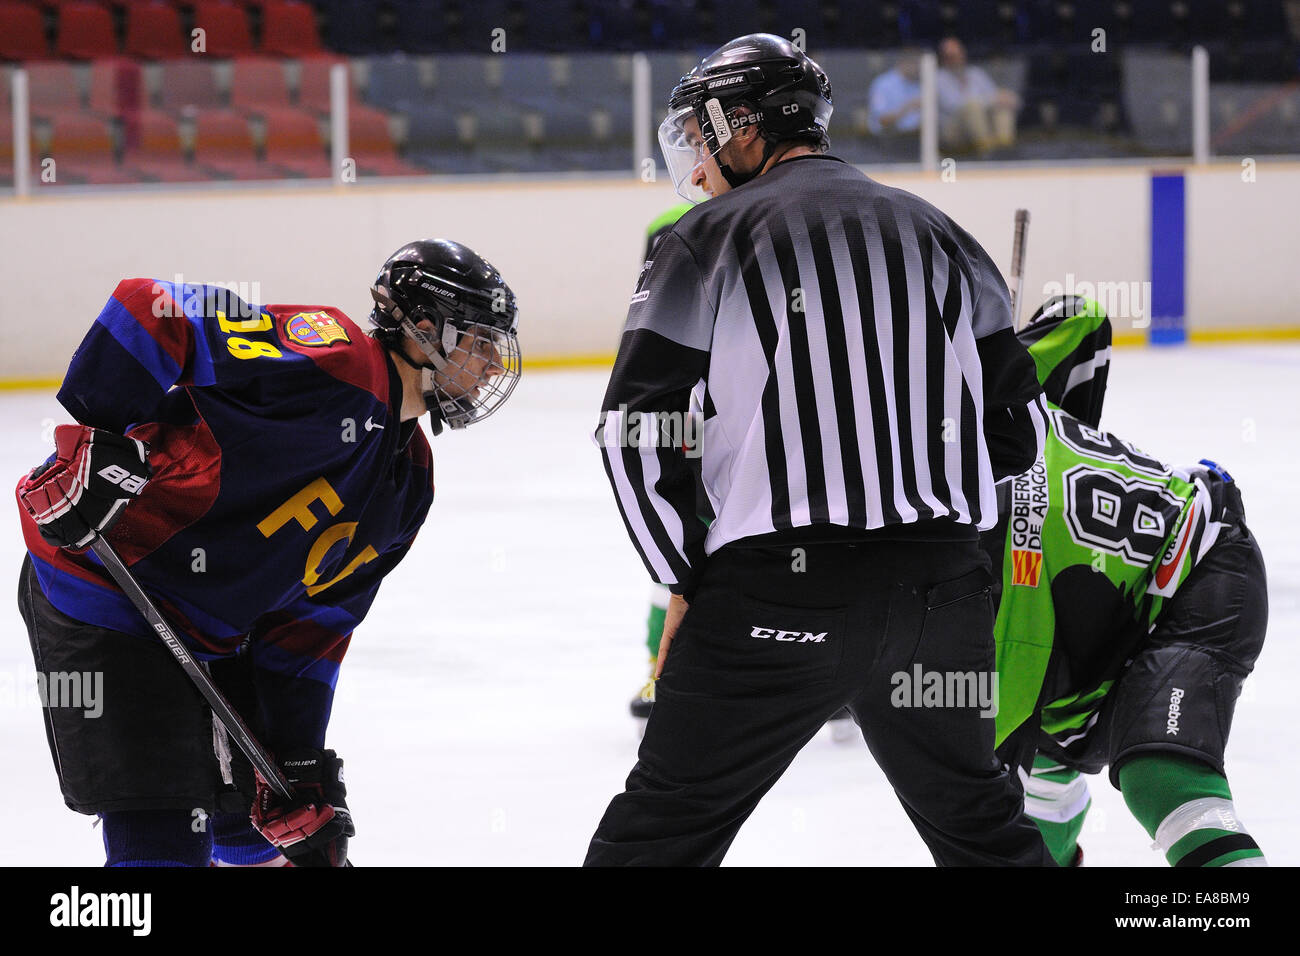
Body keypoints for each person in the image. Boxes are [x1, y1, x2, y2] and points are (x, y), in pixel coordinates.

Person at [587, 33, 1052, 866]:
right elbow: (1019, 433)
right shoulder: (944, 235)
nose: (695, 158)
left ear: (744, 127)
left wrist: (685, 579)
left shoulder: (706, 237)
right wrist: (964, 572)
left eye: (702, 134)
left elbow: (633, 432)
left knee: (659, 836)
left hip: (773, 599)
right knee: (983, 830)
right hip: (940, 601)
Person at [16, 239, 520, 867]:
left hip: (210, 629)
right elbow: (152, 308)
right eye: (481, 341)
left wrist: (298, 756)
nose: (495, 365)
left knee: (254, 833)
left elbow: (316, 626)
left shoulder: (409, 480)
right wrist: (93, 439)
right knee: (163, 824)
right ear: (422, 329)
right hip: (108, 587)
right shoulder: (334, 355)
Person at [986, 295, 1267, 867]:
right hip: (1108, 602)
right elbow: (1081, 316)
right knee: (1046, 752)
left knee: (1162, 776)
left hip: (1196, 567)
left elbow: (1005, 713)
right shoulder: (983, 386)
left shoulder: (977, 554)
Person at [936, 36, 1020, 154]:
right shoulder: (938, 78)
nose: (956, 59)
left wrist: (1005, 98)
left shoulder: (975, 73)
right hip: (953, 130)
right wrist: (990, 100)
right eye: (951, 57)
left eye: (958, 54)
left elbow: (994, 95)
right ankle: (988, 152)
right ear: (943, 59)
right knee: (972, 106)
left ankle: (1005, 151)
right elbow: (955, 105)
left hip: (983, 122)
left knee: (1002, 107)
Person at [867, 53, 922, 136]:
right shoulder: (883, 84)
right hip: (889, 139)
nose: (918, 67)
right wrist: (907, 108)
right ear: (903, 62)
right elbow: (882, 119)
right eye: (915, 63)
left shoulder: (919, 84)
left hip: (917, 138)